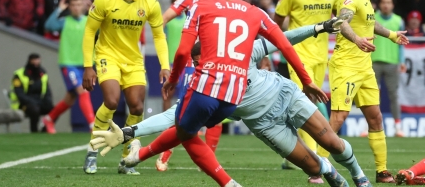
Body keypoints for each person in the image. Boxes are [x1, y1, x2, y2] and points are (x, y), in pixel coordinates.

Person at [91, 19, 372, 187]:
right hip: (264, 124)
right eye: (198, 62)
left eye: (204, 58)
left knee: (334, 143)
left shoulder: (239, 52)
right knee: (313, 168)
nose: (203, 64)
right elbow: (172, 117)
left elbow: (280, 40)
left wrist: (319, 27)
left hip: (285, 95)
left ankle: (359, 176)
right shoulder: (201, 86)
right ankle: (330, 171)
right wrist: (129, 132)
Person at [144, 0, 318, 187]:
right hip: (233, 96)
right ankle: (344, 173)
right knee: (195, 125)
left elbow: (181, 52)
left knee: (183, 128)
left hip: (207, 83)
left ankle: (225, 182)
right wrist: (306, 80)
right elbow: (283, 44)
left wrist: (174, 78)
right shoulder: (255, 11)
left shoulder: (200, 5)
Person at [318, 0, 409, 183]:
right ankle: (317, 167)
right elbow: (341, 21)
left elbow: (370, 23)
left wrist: (391, 35)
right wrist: (357, 39)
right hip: (346, 65)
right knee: (339, 117)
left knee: (376, 117)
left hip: (365, 67)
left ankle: (382, 171)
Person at [81, 0, 170, 175]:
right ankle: (92, 151)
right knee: (111, 101)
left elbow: (159, 35)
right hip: (107, 56)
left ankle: (126, 159)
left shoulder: (150, 2)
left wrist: (165, 66)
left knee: (137, 107)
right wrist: (87, 66)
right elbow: (89, 32)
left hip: (133, 60)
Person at [273, 0, 342, 183]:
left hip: (322, 55)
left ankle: (292, 153)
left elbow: (341, 17)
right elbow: (276, 23)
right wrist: (281, 47)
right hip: (298, 55)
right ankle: (316, 164)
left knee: (300, 106)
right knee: (306, 103)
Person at [157, 0, 224, 171]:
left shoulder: (228, 0)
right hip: (190, 62)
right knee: (184, 109)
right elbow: (163, 18)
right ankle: (165, 154)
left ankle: (208, 160)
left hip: (216, 61)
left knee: (216, 109)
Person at [41, 0, 95, 134]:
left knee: (70, 99)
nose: (77, 8)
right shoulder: (64, 21)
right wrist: (59, 9)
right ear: (69, 7)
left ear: (83, 6)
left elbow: (105, 29)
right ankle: (93, 125)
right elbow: (48, 25)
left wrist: (95, 11)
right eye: (73, 5)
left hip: (85, 64)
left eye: (79, 4)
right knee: (83, 90)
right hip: (68, 63)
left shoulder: (90, 21)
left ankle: (49, 118)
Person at [372, 0, 406, 137]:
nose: (386, 5)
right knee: (371, 97)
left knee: (394, 96)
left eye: (389, 2)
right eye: (383, 2)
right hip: (373, 61)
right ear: (379, 4)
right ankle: (371, 126)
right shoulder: (372, 18)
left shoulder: (399, 20)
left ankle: (398, 128)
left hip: (392, 62)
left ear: (393, 5)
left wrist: (402, 61)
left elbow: (402, 44)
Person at [9, 53, 53, 133]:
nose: (36, 63)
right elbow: (19, 94)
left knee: (54, 109)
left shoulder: (43, 74)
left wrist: (47, 101)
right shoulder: (19, 74)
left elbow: (47, 91)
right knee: (34, 109)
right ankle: (34, 131)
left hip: (39, 101)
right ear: (29, 61)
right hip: (22, 104)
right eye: (34, 60)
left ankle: (44, 130)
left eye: (37, 60)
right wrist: (32, 102)